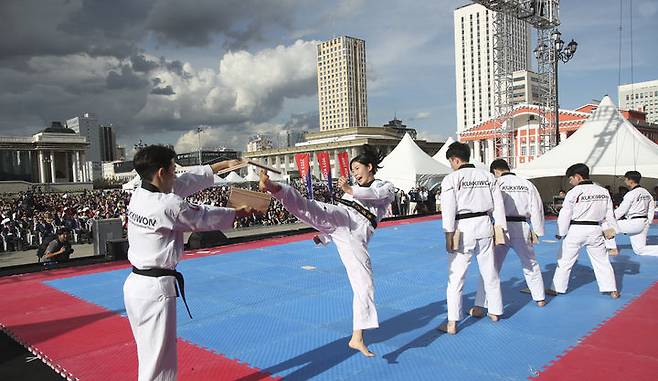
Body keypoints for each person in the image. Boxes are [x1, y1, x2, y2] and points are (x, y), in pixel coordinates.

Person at [123, 145, 254, 381]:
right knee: (160, 363)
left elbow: (184, 182)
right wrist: (238, 213)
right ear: (161, 173)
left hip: (135, 286)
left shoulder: (139, 193)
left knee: (149, 355)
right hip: (155, 290)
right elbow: (201, 216)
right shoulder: (167, 205)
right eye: (173, 170)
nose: (176, 174)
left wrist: (220, 166)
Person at [259, 144, 394, 357]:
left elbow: (375, 194)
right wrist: (323, 236)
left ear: (370, 167)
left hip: (356, 235)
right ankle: (275, 188)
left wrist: (350, 189)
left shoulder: (385, 186)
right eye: (353, 170)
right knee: (309, 206)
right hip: (342, 219)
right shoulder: (350, 195)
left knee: (364, 286)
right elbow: (335, 219)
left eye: (358, 168)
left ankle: (357, 337)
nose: (355, 174)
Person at [438, 142, 506, 335]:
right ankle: (495, 311)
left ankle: (452, 322)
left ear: (455, 159)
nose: (451, 166)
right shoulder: (487, 176)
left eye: (451, 162)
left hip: (463, 228)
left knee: (456, 277)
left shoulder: (452, 179)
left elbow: (449, 210)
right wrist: (499, 228)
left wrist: (448, 234)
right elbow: (498, 205)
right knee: (489, 272)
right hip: (485, 225)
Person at [472, 159, 546, 313]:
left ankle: (481, 304)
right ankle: (540, 298)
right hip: (523, 226)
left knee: (490, 267)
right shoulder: (527, 184)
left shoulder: (496, 183)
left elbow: (488, 206)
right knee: (530, 262)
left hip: (501, 228)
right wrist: (537, 231)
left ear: (495, 171)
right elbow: (537, 208)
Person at [548, 163, 620, 298]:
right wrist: (613, 231)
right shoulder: (603, 191)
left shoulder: (573, 192)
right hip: (596, 230)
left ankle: (556, 288)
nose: (570, 182)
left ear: (578, 177)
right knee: (602, 261)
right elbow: (609, 213)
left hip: (576, 230)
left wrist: (560, 233)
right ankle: (612, 289)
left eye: (571, 179)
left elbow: (565, 214)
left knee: (565, 261)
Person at [605, 171, 658, 256]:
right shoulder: (646, 193)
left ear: (630, 181)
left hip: (633, 223)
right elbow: (652, 207)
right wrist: (649, 221)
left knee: (607, 225)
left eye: (625, 179)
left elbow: (621, 210)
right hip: (644, 222)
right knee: (639, 250)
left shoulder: (631, 194)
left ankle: (612, 249)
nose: (625, 181)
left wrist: (609, 217)